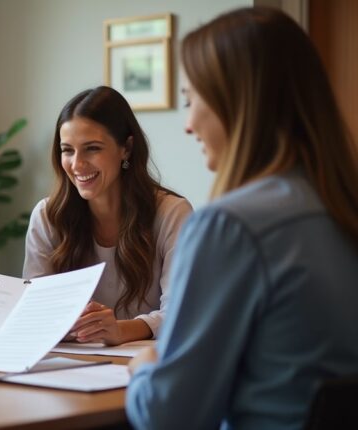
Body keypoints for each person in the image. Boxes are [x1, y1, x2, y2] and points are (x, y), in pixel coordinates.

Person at [126, 7, 358, 430]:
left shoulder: (230, 226)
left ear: (237, 102)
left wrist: (145, 367)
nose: (188, 125)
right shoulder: (340, 209)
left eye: (190, 100)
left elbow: (170, 417)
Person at [23, 86, 192, 346]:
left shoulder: (172, 213)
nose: (77, 164)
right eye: (67, 150)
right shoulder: (47, 217)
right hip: (68, 367)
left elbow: (183, 313)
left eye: (92, 148)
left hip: (144, 368)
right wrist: (69, 324)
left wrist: (120, 330)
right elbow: (35, 315)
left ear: (126, 148)